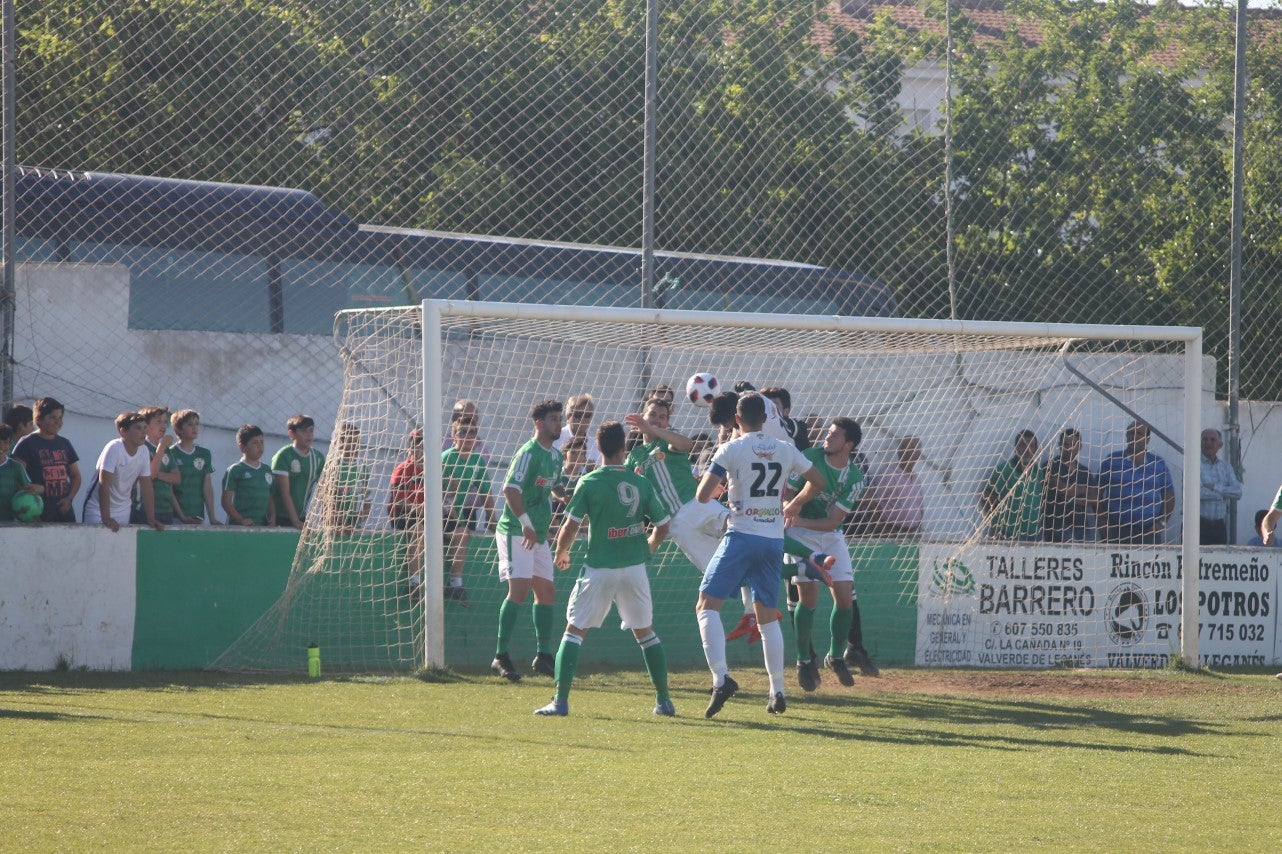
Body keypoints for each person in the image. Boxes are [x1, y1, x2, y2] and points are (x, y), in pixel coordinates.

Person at [694, 392, 826, 718]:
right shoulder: (784, 448)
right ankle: (777, 690)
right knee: (767, 617)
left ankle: (720, 679)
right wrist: (794, 503)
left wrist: (722, 486)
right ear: (765, 418)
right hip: (772, 540)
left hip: (741, 535)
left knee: (706, 605)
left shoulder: (731, 448)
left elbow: (701, 495)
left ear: (736, 420)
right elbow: (818, 481)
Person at [535, 421, 673, 717]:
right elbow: (663, 526)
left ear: (597, 448)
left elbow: (570, 525)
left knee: (574, 631)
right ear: (625, 449)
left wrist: (561, 551)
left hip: (600, 567)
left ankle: (559, 702)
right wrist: (647, 548)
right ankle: (664, 701)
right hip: (634, 568)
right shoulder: (641, 483)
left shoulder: (590, 482)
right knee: (646, 633)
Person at [785, 417, 868, 691]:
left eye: (834, 436)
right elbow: (788, 493)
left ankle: (834, 656)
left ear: (849, 444)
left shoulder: (854, 478)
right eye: (829, 433)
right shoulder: (810, 456)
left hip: (828, 536)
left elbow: (833, 522)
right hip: (797, 535)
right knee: (808, 599)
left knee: (844, 597)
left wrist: (800, 520)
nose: (827, 438)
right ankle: (804, 660)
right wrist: (792, 512)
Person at [491, 399, 568, 682]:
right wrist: (525, 524)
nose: (558, 423)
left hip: (536, 534)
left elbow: (554, 485)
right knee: (519, 591)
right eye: (552, 419)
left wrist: (564, 495)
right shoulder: (528, 453)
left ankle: (544, 656)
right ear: (538, 423)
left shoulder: (556, 456)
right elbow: (510, 489)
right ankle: (500, 655)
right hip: (516, 530)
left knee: (546, 592)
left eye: (559, 419)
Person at [625, 396, 728, 576]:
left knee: (736, 527)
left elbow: (687, 444)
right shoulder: (635, 455)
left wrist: (652, 429)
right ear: (643, 415)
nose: (657, 419)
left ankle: (783, 554)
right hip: (675, 524)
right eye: (653, 414)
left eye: (663, 417)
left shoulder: (668, 440)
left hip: (695, 504)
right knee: (719, 570)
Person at [441, 418, 494, 604]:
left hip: (454, 516)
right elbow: (439, 494)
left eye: (472, 432)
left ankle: (455, 584)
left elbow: (485, 491)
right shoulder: (446, 458)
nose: (468, 436)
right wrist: (457, 517)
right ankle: (417, 583)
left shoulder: (477, 460)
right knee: (460, 532)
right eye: (463, 432)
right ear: (454, 436)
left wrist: (492, 517)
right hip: (437, 514)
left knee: (463, 534)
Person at [82, 411, 164, 531]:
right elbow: (104, 484)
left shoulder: (144, 451)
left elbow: (146, 487)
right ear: (123, 431)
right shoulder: (114, 448)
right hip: (97, 509)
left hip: (123, 509)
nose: (143, 432)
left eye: (145, 428)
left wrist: (151, 518)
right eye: (138, 428)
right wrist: (106, 517)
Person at [1098, 421, 1175, 545]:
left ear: (1147, 439)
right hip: (1115, 530)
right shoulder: (1112, 461)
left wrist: (1162, 523)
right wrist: (1101, 521)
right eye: (1131, 433)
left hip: (1148, 531)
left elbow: (1169, 496)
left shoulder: (1158, 464)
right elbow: (1097, 493)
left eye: (1139, 433)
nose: (1134, 436)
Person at [12, 397, 81, 522]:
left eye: (60, 417)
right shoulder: (27, 444)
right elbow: (15, 478)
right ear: (39, 419)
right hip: (37, 513)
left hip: (64, 512)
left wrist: (69, 499)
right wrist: (34, 491)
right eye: (53, 417)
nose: (58, 422)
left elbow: (76, 476)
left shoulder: (65, 443)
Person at [982, 429, 1044, 541]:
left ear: (1036, 449)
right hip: (1008, 533)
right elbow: (987, 496)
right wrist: (998, 524)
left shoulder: (1039, 472)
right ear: (1015, 448)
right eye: (1022, 445)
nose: (1027, 450)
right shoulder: (1004, 470)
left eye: (1031, 446)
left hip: (1034, 533)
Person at [389, 428, 427, 600]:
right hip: (403, 515)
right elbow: (399, 501)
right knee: (418, 530)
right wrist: (423, 508)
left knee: (460, 532)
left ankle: (455, 583)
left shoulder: (433, 470)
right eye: (414, 446)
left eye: (421, 446)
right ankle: (414, 582)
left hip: (427, 514)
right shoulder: (403, 469)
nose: (418, 449)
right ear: (408, 449)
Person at [163, 409, 218, 525]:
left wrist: (212, 518)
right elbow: (169, 488)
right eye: (190, 424)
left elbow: (207, 486)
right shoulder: (170, 453)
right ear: (178, 429)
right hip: (175, 517)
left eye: (197, 424)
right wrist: (181, 516)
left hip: (197, 517)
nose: (195, 428)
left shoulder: (204, 454)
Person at [1042, 428, 1096, 543]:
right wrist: (1083, 489)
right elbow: (1062, 489)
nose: (1070, 448)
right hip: (1056, 526)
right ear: (1060, 446)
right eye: (1066, 444)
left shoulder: (1085, 471)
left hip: (1082, 525)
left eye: (1074, 444)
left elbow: (1095, 496)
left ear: (1080, 446)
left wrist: (1083, 496)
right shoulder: (1050, 466)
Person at [272, 414, 325, 529]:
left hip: (301, 517)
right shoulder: (284, 456)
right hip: (279, 518)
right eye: (304, 431)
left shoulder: (318, 458)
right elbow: (284, 492)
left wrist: (328, 519)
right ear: (292, 433)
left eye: (311, 431)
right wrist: (295, 521)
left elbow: (325, 490)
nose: (309, 435)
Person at [866, 435, 925, 538]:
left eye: (913, 450)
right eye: (905, 449)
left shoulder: (916, 479)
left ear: (918, 455)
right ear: (899, 451)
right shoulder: (888, 475)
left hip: (913, 533)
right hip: (892, 532)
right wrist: (882, 531)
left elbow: (919, 506)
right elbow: (872, 504)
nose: (908, 453)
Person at [131, 405, 179, 525]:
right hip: (144, 511)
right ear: (146, 425)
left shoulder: (167, 450)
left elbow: (177, 478)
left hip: (166, 510)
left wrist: (158, 474)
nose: (163, 426)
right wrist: (161, 446)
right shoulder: (142, 447)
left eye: (164, 422)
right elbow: (150, 475)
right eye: (158, 421)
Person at [222, 424, 276, 526]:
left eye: (262, 442)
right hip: (239, 528)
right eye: (255, 443)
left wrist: (272, 518)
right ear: (242, 447)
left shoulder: (267, 470)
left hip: (262, 526)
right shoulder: (235, 470)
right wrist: (241, 520)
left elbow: (270, 498)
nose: (260, 446)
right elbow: (226, 502)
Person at [1199, 428, 1242, 545]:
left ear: (1220, 445)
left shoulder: (1226, 467)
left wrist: (1214, 487)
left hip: (1219, 526)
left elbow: (1238, 492)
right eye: (1205, 439)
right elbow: (1197, 493)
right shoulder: (1193, 464)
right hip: (1198, 525)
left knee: (1219, 560)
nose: (1208, 443)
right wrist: (1222, 494)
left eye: (1213, 440)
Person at [327, 422, 372, 532]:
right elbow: (328, 500)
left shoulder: (363, 468)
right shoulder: (333, 466)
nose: (356, 446)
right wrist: (340, 521)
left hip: (354, 527)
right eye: (351, 442)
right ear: (341, 443)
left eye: (357, 442)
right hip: (334, 526)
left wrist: (360, 517)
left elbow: (367, 500)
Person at [554, 393, 601, 478]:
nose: (583, 419)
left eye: (587, 415)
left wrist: (595, 470)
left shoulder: (595, 444)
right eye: (578, 415)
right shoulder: (555, 438)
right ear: (568, 416)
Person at [0, 424, 41, 520]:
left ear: (10, 444)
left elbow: (28, 490)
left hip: (9, 524)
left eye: (6, 442)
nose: (2, 446)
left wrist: (40, 489)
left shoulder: (15, 467)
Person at [761, 386, 812, 451]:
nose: (767, 408)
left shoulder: (797, 427)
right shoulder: (754, 427)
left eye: (772, 405)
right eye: (765, 404)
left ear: (786, 411)